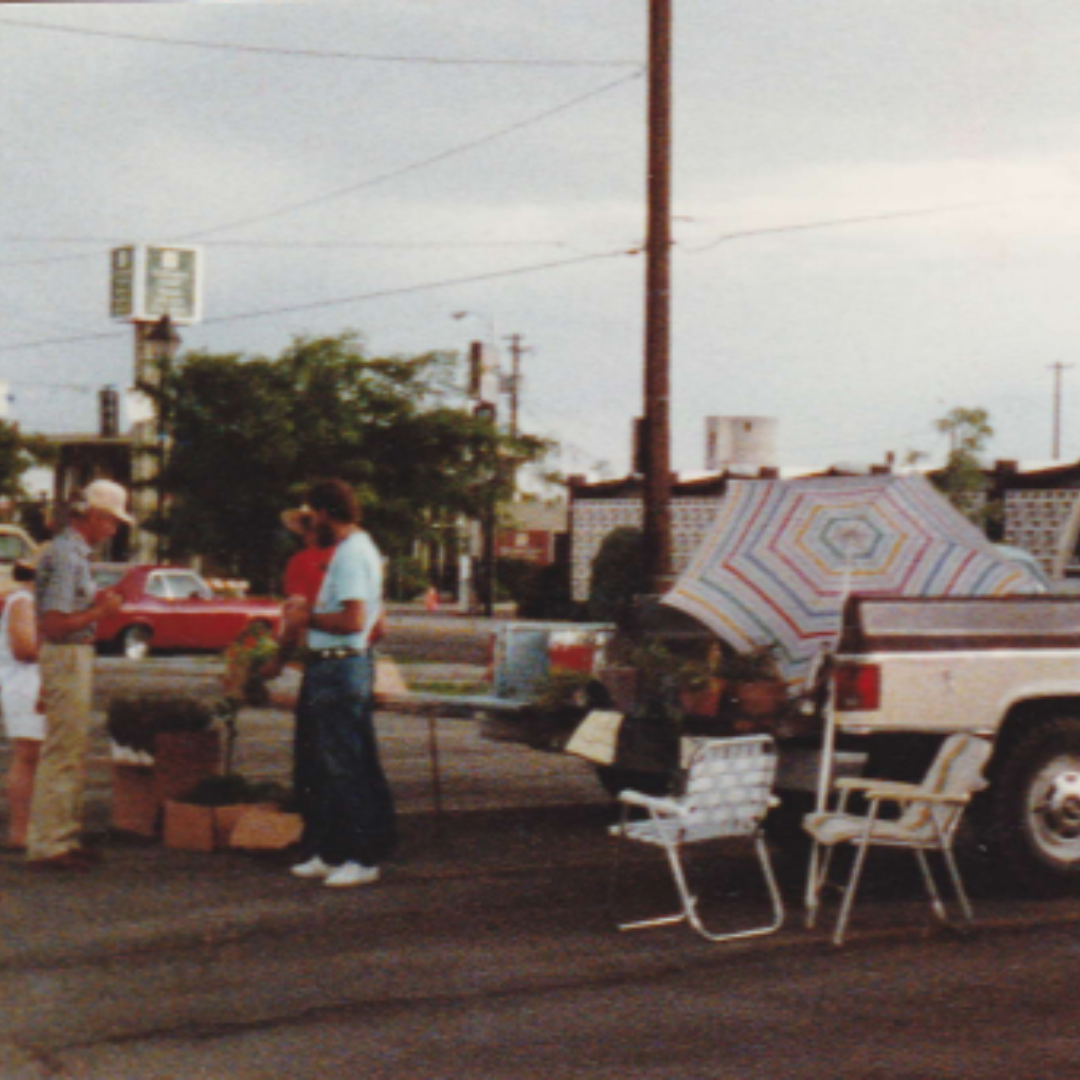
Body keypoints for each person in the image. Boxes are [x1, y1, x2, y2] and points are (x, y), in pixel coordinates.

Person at [280, 479, 396, 888]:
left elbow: (352, 621)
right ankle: (331, 851)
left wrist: (305, 618)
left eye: (312, 518)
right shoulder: (356, 550)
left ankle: (361, 857)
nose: (310, 527)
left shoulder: (349, 556)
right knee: (331, 765)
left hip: (338, 665)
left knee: (344, 766)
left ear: (327, 513)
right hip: (335, 665)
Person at [27, 480, 130, 871]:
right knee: (64, 751)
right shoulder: (69, 556)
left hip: (67, 656)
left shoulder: (67, 552)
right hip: (68, 654)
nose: (114, 529)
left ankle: (60, 835)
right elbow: (54, 623)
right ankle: (51, 842)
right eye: (112, 521)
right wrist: (99, 614)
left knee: (67, 748)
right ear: (96, 516)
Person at [0, 559, 43, 850]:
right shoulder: (23, 601)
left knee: (35, 759)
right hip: (25, 687)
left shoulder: (31, 602)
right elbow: (24, 648)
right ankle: (20, 830)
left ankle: (32, 827)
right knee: (28, 758)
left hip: (33, 685)